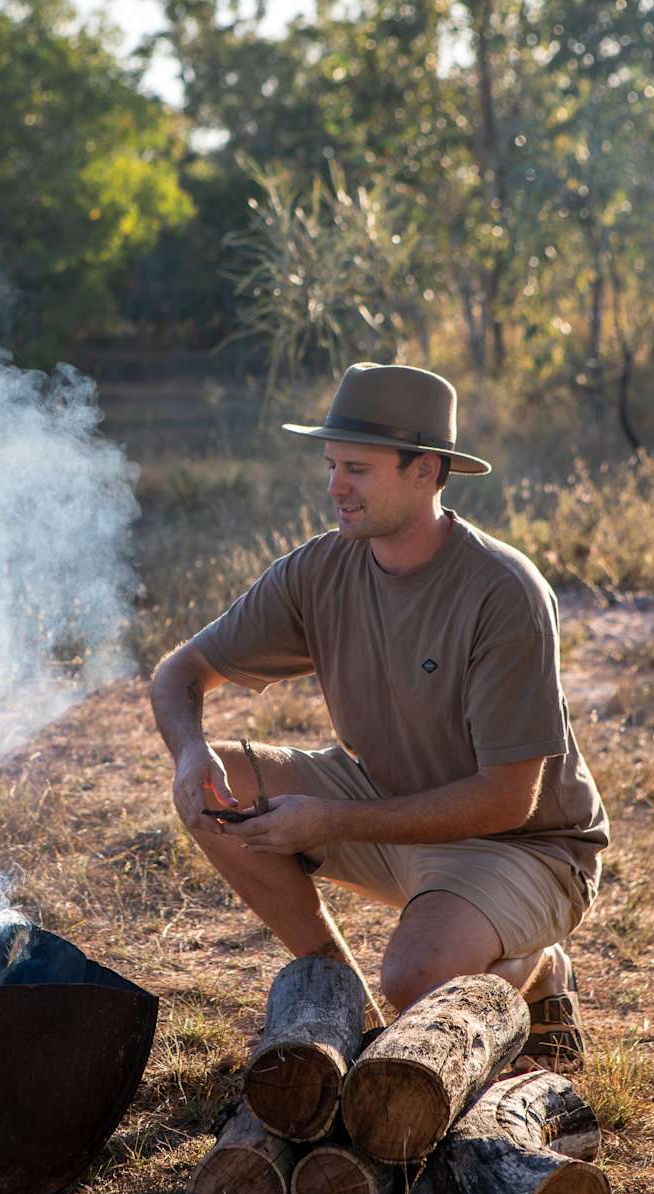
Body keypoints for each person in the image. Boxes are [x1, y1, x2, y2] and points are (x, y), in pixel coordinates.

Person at [150, 363, 607, 1067]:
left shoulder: (504, 592)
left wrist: (332, 820)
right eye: (332, 465)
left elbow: (508, 800)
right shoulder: (319, 570)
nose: (334, 487)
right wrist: (188, 754)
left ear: (426, 471)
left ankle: (538, 968)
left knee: (418, 980)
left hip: (529, 847)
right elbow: (180, 673)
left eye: (357, 469)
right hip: (394, 807)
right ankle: (347, 1011)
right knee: (224, 783)